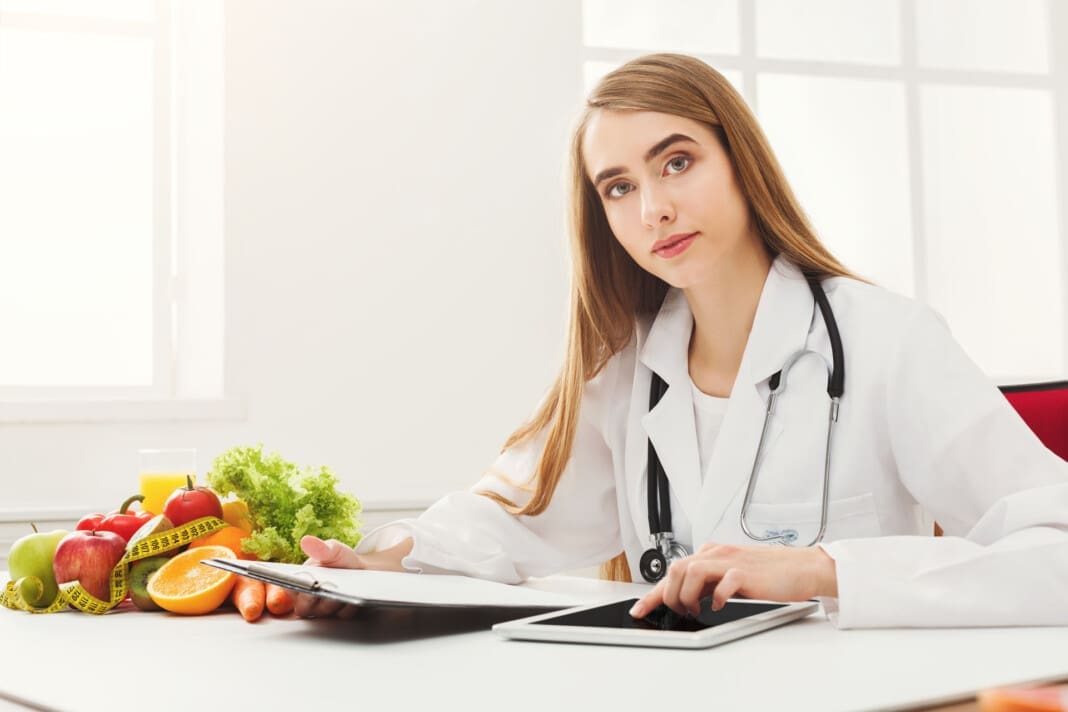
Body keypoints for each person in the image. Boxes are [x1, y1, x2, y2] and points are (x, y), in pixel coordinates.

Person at [296, 53, 1068, 628]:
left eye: (677, 161)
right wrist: (375, 561)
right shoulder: (626, 367)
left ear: (740, 159)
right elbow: (510, 518)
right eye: (620, 187)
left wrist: (820, 570)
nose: (653, 209)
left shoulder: (889, 342)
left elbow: (1057, 551)